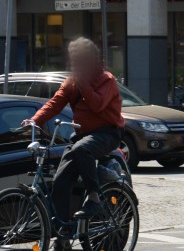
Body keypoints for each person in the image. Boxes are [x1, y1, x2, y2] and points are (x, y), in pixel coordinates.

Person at [24, 37, 125, 240]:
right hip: (82, 135)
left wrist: (83, 83)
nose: (74, 64)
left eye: (79, 60)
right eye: (73, 59)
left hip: (107, 133)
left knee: (82, 150)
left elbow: (97, 105)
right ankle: (62, 238)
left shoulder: (107, 80)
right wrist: (34, 120)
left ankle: (95, 198)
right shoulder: (71, 81)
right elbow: (55, 103)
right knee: (60, 182)